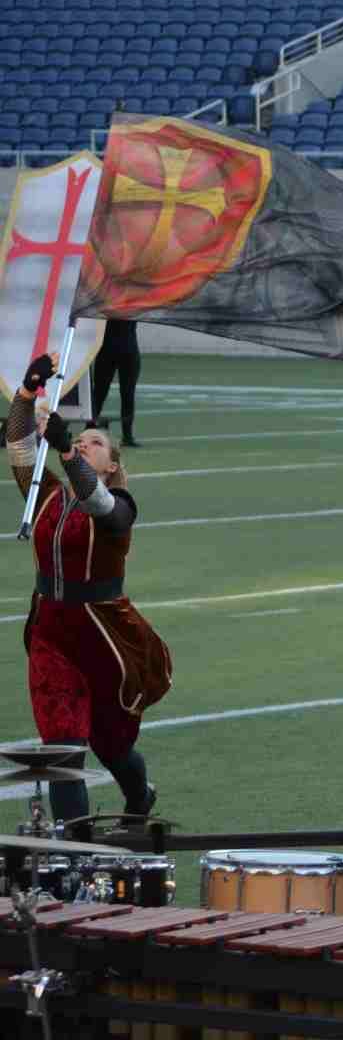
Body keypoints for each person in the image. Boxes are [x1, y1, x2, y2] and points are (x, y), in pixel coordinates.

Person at [7, 353, 172, 823]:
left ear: (112, 465)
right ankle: (75, 850)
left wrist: (65, 451)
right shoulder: (47, 495)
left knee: (111, 743)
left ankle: (139, 796)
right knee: (62, 748)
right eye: (79, 439)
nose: (83, 443)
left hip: (103, 635)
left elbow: (100, 506)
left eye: (94, 443)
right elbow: (18, 447)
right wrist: (26, 392)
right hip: (51, 632)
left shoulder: (121, 504)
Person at [89, 318, 143, 447]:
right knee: (100, 393)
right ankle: (89, 430)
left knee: (126, 394)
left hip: (120, 349)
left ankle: (127, 435)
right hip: (115, 349)